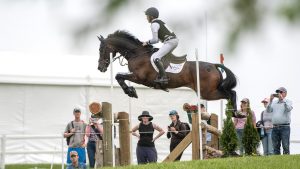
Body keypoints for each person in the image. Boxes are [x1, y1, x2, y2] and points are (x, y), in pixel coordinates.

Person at [142, 7, 179, 84]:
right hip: (173, 40)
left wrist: (147, 42)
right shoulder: (160, 22)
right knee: (163, 57)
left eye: (147, 16)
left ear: (151, 16)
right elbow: (158, 39)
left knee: (156, 57)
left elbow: (155, 40)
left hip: (170, 42)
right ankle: (166, 73)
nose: (146, 18)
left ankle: (164, 78)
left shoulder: (154, 24)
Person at [267, 87, 293, 155]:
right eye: (278, 92)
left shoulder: (288, 101)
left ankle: (287, 161)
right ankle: (277, 162)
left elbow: (288, 109)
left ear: (285, 93)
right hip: (275, 127)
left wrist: (283, 100)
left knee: (285, 146)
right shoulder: (274, 102)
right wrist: (270, 100)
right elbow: (268, 110)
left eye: (281, 92)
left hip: (285, 127)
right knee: (275, 147)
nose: (279, 94)